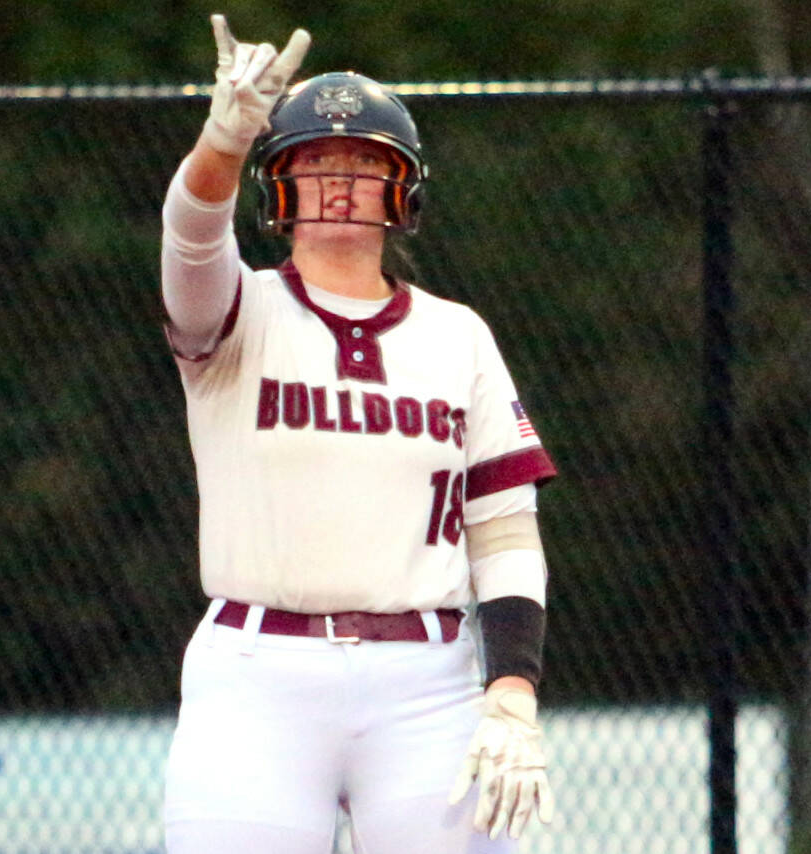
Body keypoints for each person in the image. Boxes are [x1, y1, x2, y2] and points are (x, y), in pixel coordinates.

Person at [159, 13, 557, 853]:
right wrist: (222, 144)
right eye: (315, 162)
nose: (340, 180)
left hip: (429, 681)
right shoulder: (239, 310)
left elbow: (505, 531)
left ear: (401, 190)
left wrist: (513, 690)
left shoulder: (457, 335)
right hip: (257, 672)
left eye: (364, 164)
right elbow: (192, 241)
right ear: (278, 186)